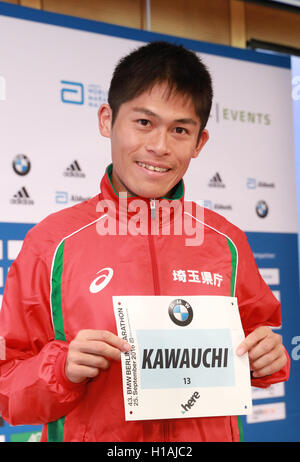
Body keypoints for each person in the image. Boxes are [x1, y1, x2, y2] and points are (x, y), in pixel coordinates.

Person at [0, 41, 289, 442]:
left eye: (180, 130)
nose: (159, 146)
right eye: (143, 123)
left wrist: (268, 357)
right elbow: (7, 385)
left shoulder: (228, 242)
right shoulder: (51, 243)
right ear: (107, 120)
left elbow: (263, 346)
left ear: (199, 142)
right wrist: (61, 368)